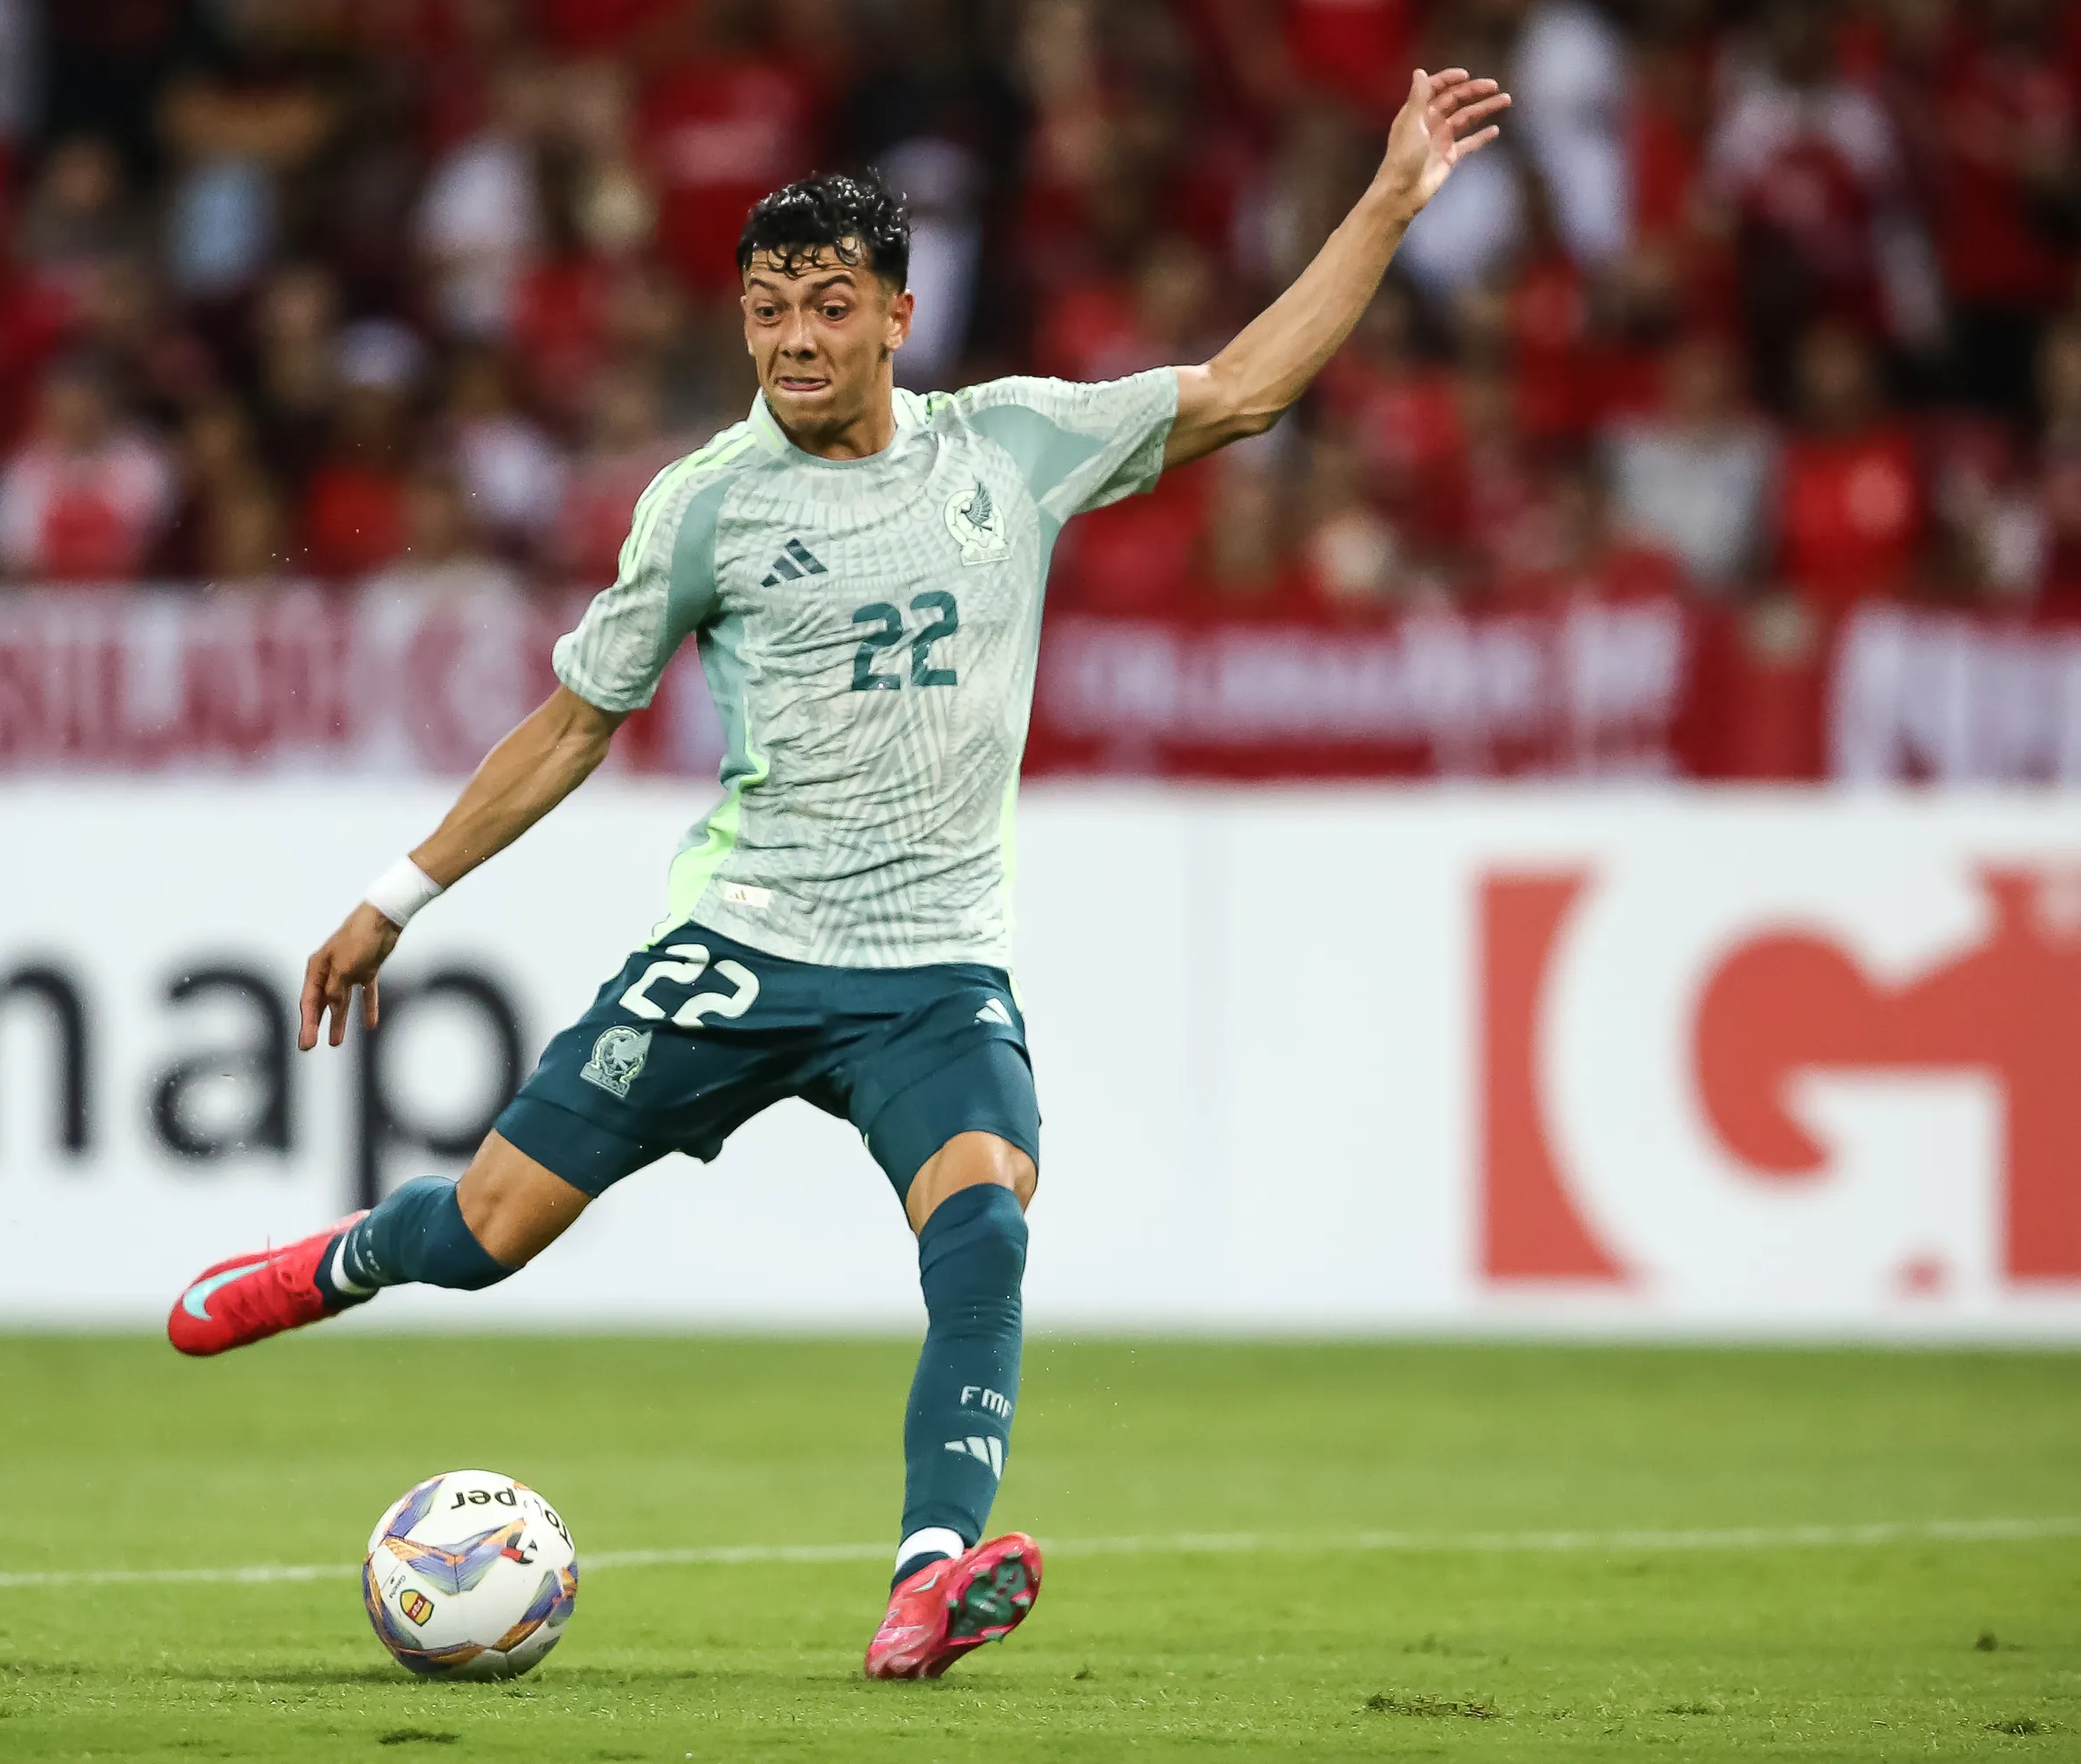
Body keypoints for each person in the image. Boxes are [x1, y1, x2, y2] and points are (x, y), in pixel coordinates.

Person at [169, 67, 1509, 1679]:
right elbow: (574, 723)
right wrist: (395, 897)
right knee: (487, 1231)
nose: (793, 340)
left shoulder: (1011, 446)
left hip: (932, 972)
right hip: (744, 946)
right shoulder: (706, 508)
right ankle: (340, 1261)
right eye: (765, 311)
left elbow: (1243, 389)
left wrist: (1388, 199)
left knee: (987, 1222)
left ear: (897, 317)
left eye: (826, 306)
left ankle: (928, 1581)